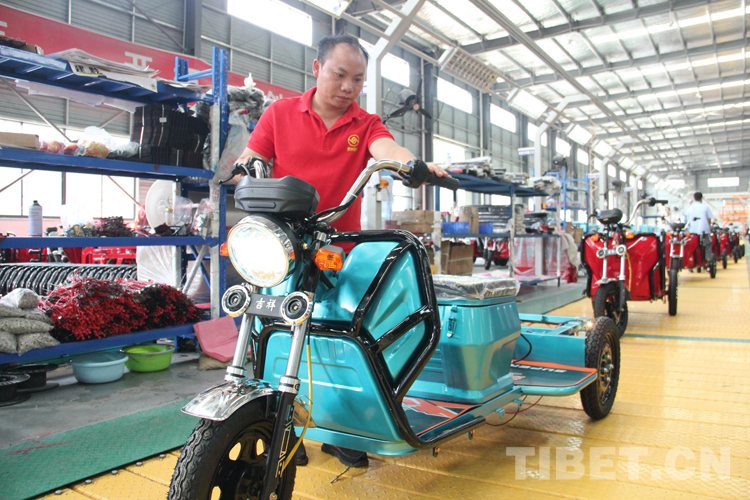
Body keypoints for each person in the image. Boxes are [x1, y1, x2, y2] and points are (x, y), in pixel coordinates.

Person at [233, 34, 449, 469]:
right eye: (340, 74)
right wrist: (243, 170)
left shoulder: (366, 124)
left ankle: (344, 427)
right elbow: (250, 158)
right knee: (270, 332)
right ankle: (281, 425)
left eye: (358, 79)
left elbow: (387, 150)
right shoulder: (279, 113)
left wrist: (410, 164)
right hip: (285, 246)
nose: (349, 86)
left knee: (343, 333)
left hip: (339, 247)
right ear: (317, 69)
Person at [685, 191, 714, 262]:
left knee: (693, 245)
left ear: (694, 198)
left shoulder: (689, 208)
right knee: (707, 244)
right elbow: (709, 219)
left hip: (693, 231)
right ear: (702, 198)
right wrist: (709, 227)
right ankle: (707, 260)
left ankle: (692, 260)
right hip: (704, 230)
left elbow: (687, 220)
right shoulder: (705, 207)